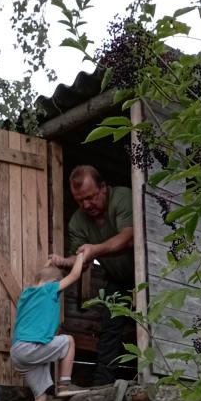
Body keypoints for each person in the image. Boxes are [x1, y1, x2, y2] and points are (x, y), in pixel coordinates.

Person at [50, 165, 135, 386]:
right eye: (80, 200)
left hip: (145, 276)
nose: (86, 205)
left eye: (90, 197)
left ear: (103, 187)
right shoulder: (78, 221)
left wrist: (94, 249)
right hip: (117, 279)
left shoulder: (122, 198)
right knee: (110, 327)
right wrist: (65, 261)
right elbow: (82, 259)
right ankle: (102, 383)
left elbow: (128, 237)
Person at [10, 251, 86, 401]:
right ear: (54, 282)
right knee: (69, 341)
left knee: (41, 394)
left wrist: (49, 262)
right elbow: (75, 275)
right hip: (31, 347)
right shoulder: (50, 289)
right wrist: (81, 256)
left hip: (18, 352)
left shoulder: (27, 293)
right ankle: (65, 385)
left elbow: (41, 276)